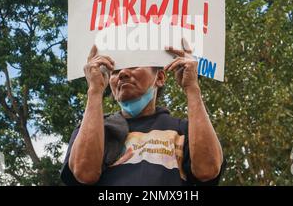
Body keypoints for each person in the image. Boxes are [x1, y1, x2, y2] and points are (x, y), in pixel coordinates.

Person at [60, 38, 224, 186]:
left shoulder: (185, 130)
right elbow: (84, 174)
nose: (123, 73)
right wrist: (94, 91)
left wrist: (192, 88)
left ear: (159, 78)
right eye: (115, 71)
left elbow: (207, 170)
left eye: (133, 65)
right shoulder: (94, 129)